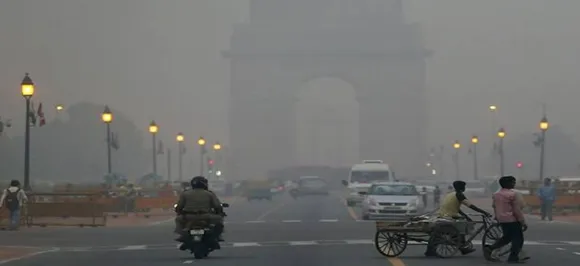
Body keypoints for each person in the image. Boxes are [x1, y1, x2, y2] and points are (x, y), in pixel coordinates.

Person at [425, 180, 492, 257]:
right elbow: (470, 206)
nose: (464, 188)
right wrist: (484, 212)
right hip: (450, 216)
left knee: (462, 222)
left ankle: (461, 245)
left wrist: (466, 216)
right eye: (464, 187)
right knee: (462, 227)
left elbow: (457, 208)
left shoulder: (450, 194)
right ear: (461, 187)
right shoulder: (459, 195)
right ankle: (462, 247)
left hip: (443, 214)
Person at [484, 176, 527, 263]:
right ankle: (513, 257)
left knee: (507, 238)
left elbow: (495, 207)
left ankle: (490, 248)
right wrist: (522, 221)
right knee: (518, 239)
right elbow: (516, 209)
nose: (514, 184)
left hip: (502, 219)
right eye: (513, 182)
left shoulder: (496, 194)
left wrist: (497, 217)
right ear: (508, 184)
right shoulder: (512, 194)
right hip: (512, 219)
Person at [174, 176, 224, 246]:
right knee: (219, 219)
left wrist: (179, 212)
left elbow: (179, 206)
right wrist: (220, 212)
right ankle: (218, 236)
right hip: (206, 216)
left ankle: (182, 235)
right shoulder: (209, 194)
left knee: (178, 219)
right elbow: (217, 206)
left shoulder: (185, 194)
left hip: (189, 216)